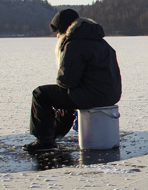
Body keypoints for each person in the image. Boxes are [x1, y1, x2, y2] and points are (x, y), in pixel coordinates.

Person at [23, 9, 122, 152]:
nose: (57, 36)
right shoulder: (100, 42)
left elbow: (67, 81)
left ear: (64, 29)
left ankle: (44, 140)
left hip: (93, 96)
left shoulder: (74, 44)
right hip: (110, 95)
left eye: (57, 32)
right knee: (68, 95)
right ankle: (54, 133)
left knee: (41, 94)